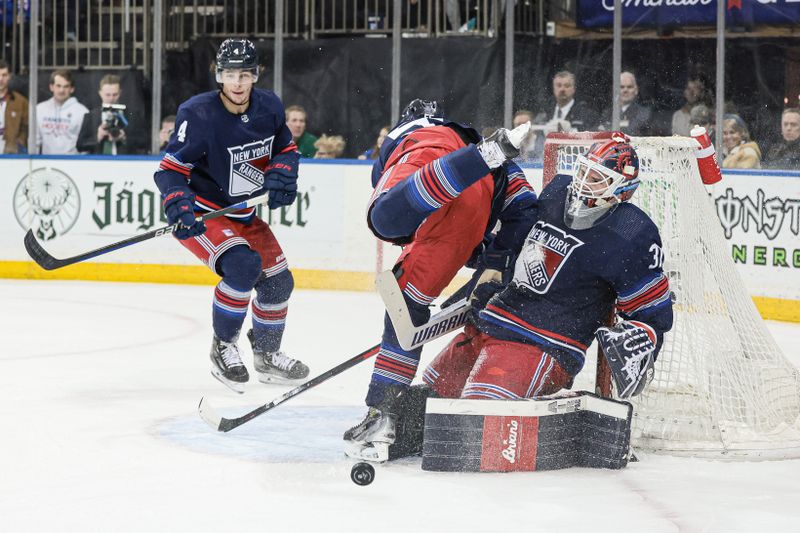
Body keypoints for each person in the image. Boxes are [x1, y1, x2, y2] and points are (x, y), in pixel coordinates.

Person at [343, 99, 539, 462]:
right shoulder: (502, 165)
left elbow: (390, 192)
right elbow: (526, 210)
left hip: (434, 166)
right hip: (472, 196)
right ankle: (381, 417)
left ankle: (381, 414)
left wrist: (486, 264)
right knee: (406, 312)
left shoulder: (408, 134)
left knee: (383, 222)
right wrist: (495, 265)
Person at [422, 133, 673, 406]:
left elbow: (654, 315)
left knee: (476, 412)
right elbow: (522, 245)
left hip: (542, 345)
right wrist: (489, 258)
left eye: (595, 177)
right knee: (430, 401)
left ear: (621, 188)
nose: (582, 181)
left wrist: (642, 339)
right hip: (491, 323)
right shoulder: (556, 193)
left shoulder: (631, 233)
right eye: (583, 171)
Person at [153, 38, 310, 393]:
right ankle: (222, 347)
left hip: (242, 213)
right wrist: (178, 201)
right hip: (204, 213)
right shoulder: (198, 114)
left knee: (279, 282)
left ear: (256, 75)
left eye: (244, 74)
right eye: (229, 74)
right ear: (218, 75)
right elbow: (169, 170)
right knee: (242, 267)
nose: (237, 83)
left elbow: (285, 146)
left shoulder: (269, 106)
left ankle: (267, 355)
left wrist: (284, 169)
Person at [77, 74, 146, 155]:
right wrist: (98, 137)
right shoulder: (91, 116)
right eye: (108, 95)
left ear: (120, 93)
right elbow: (80, 145)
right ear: (100, 93)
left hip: (124, 162)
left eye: (115, 94)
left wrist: (124, 137)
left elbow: (144, 142)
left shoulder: (132, 116)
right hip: (98, 163)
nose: (111, 98)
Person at [35, 69, 88, 154]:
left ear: (72, 89)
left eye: (66, 86)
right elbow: (35, 142)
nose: (61, 90)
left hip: (72, 163)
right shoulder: (39, 109)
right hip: (46, 164)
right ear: (51, 87)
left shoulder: (82, 112)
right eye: (58, 86)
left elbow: (85, 147)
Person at [600, 71, 652, 136]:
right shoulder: (608, 112)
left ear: (636, 90)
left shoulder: (644, 113)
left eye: (629, 87)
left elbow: (631, 132)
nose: (625, 90)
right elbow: (598, 130)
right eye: (621, 87)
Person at [0, 59, 28, 154]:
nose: (0, 79)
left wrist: (18, 144)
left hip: (11, 154)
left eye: (4, 75)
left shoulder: (21, 101)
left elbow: (26, 127)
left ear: (10, 77)